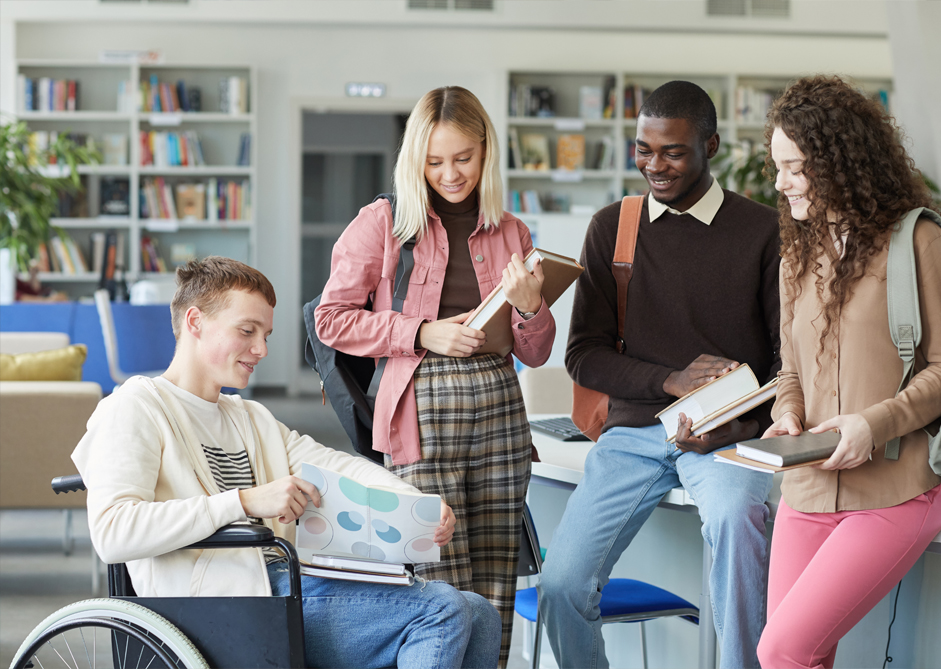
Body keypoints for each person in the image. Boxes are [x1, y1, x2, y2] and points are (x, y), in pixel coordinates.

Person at [71, 256, 501, 669]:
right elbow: (112, 532)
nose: (261, 349)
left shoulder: (248, 417)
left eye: (266, 335)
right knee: (441, 609)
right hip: (217, 605)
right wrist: (244, 502)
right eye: (247, 330)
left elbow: (335, 465)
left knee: (480, 612)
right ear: (195, 322)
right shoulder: (136, 407)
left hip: (280, 588)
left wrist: (416, 501)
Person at [538, 80, 781, 669]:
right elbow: (584, 355)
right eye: (644, 150)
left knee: (737, 520)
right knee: (561, 585)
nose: (654, 165)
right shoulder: (612, 229)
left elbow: (786, 362)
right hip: (632, 437)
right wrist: (671, 380)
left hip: (727, 443)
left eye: (671, 151)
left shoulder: (764, 230)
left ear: (711, 146)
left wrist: (740, 426)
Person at [315, 85, 555, 666]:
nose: (450, 174)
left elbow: (537, 351)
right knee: (438, 574)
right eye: (434, 161)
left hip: (499, 405)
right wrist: (422, 332)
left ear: (485, 151)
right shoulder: (384, 223)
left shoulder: (512, 232)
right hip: (420, 411)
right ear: (414, 160)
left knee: (498, 573)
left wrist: (529, 308)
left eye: (463, 159)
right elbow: (330, 320)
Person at [757, 75, 941, 669]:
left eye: (795, 167)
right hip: (806, 490)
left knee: (782, 650)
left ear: (839, 161)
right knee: (799, 658)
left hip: (897, 491)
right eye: (776, 166)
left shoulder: (920, 242)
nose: (780, 182)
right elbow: (790, 368)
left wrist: (873, 425)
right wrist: (787, 413)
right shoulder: (797, 253)